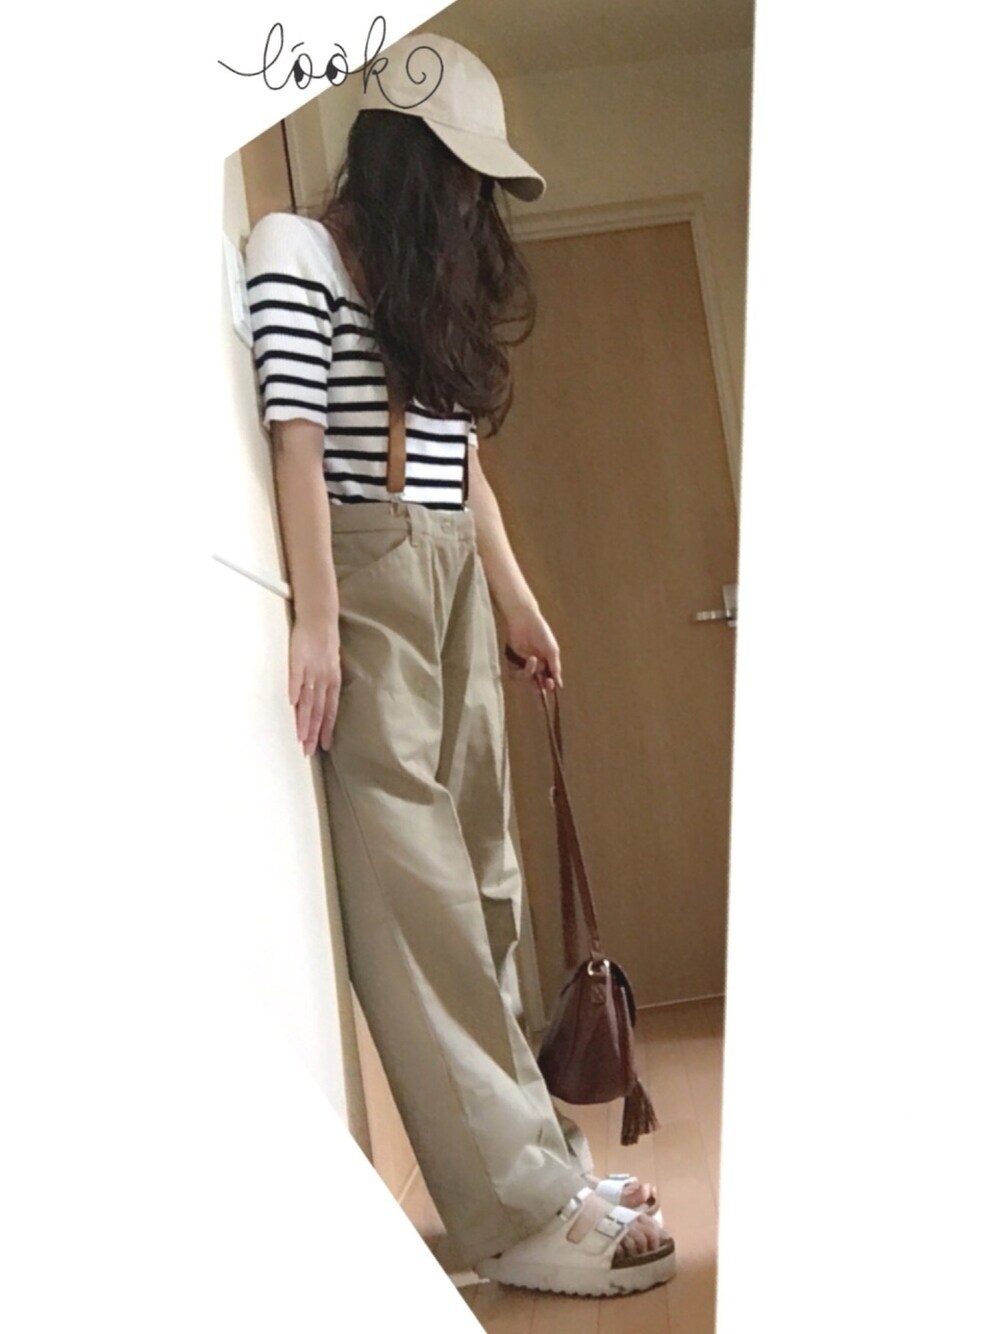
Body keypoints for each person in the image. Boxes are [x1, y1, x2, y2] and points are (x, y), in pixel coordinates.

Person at [242, 31, 676, 1298]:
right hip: (366, 569)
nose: (477, 204)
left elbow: (463, 466)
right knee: (418, 898)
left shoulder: (422, 289)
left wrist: (519, 603)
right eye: (465, 175)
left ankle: (545, 1161)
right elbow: (297, 438)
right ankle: (513, 1211)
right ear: (410, 160)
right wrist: (317, 616)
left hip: (444, 577)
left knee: (487, 886)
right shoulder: (298, 249)